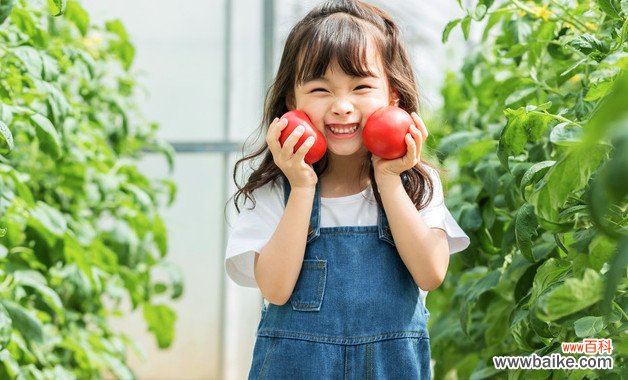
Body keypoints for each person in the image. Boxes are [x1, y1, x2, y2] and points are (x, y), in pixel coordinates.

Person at [225, 0, 470, 378]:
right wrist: (303, 187)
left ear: (393, 97)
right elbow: (275, 289)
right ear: (293, 101)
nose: (342, 106)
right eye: (321, 89)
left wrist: (389, 181)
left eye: (361, 87)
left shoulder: (415, 184)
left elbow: (430, 273)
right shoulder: (277, 189)